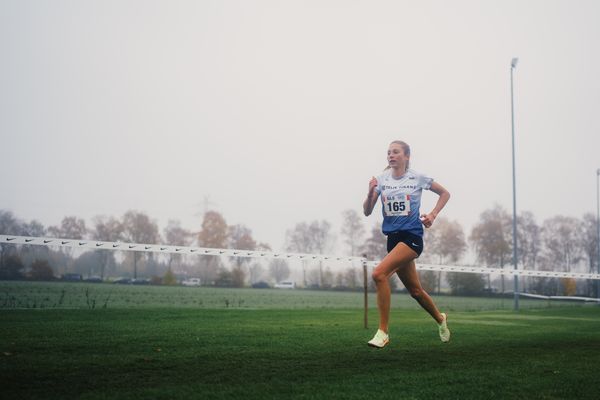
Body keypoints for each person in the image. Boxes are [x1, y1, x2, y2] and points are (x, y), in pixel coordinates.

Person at [363, 140, 451, 348]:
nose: (391, 156)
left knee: (378, 274)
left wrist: (433, 214)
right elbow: (367, 211)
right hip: (393, 240)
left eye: (395, 152)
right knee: (416, 292)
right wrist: (369, 193)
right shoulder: (381, 180)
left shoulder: (417, 178)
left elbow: (445, 193)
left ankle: (383, 332)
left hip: (411, 238)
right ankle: (440, 319)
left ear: (406, 156)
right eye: (388, 153)